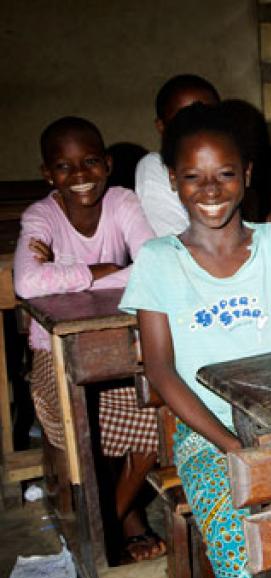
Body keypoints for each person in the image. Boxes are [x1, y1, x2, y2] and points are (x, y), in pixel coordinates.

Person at [120, 103, 271, 576]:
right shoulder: (159, 259)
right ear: (173, 180)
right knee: (249, 553)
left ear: (247, 174)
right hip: (208, 435)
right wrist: (232, 445)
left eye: (225, 174)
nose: (210, 190)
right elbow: (161, 370)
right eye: (193, 177)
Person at [14, 116, 164, 562]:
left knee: (155, 420)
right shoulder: (41, 216)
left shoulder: (122, 202)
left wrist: (66, 276)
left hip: (118, 341)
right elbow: (26, 282)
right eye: (64, 167)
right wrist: (102, 271)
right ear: (48, 174)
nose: (80, 175)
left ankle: (108, 526)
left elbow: (153, 265)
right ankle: (122, 522)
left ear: (108, 164)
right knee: (79, 432)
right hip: (55, 348)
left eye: (91, 162)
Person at [134, 74, 221, 236]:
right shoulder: (156, 167)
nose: (197, 126)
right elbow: (174, 240)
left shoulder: (234, 162)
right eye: (183, 119)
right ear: (161, 127)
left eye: (208, 115)